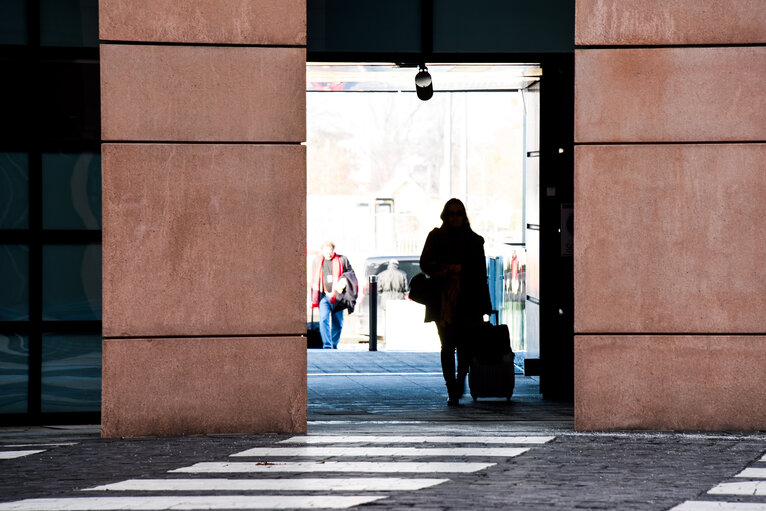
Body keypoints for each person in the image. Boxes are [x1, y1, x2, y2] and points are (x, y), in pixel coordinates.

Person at [419, 198, 492, 405]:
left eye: (458, 213)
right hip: (443, 301)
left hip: (468, 300)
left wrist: (484, 304)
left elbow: (481, 274)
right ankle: (452, 386)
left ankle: (460, 380)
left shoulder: (475, 241)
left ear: (464, 216)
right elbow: (424, 263)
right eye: (451, 214)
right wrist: (443, 270)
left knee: (465, 346)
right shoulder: (435, 237)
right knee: (448, 345)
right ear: (445, 215)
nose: (455, 218)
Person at [311, 241, 354, 349]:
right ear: (322, 251)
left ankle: (334, 344)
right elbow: (314, 277)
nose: (328, 254)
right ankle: (327, 344)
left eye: (330, 251)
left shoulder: (341, 259)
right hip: (324, 296)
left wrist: (344, 280)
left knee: (338, 322)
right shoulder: (317, 260)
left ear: (333, 250)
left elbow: (351, 273)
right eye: (326, 251)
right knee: (323, 319)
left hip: (338, 296)